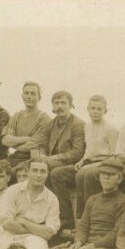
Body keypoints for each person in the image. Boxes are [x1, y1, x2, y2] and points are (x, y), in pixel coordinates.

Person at [49, 157, 125, 249]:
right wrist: (78, 242)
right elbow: (83, 226)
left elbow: (117, 234)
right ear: (99, 177)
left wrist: (91, 247)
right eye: (103, 174)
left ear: (119, 179)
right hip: (85, 246)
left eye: (111, 174)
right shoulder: (92, 199)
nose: (106, 177)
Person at [41, 90, 87, 232]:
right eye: (56, 103)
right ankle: (45, 213)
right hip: (51, 164)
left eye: (63, 103)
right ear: (52, 105)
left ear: (71, 105)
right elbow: (42, 144)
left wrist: (52, 158)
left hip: (73, 166)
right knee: (38, 169)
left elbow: (77, 153)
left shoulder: (78, 124)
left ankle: (66, 218)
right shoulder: (51, 124)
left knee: (53, 172)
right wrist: (42, 155)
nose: (60, 106)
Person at [73, 95, 120, 218]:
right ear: (88, 109)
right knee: (79, 174)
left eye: (99, 109)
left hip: (105, 163)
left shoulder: (111, 129)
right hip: (90, 162)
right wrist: (82, 161)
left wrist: (94, 165)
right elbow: (89, 150)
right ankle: (81, 217)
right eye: (93, 108)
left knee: (88, 174)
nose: (95, 111)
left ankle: (93, 215)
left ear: (105, 111)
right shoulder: (87, 127)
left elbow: (114, 156)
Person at [0, 81, 51, 178]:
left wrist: (14, 144)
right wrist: (26, 138)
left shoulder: (44, 118)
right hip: (16, 156)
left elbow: (31, 145)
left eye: (33, 94)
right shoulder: (17, 116)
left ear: (39, 98)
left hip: (33, 158)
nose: (29, 96)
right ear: (22, 96)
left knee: (8, 174)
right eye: (26, 93)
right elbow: (5, 140)